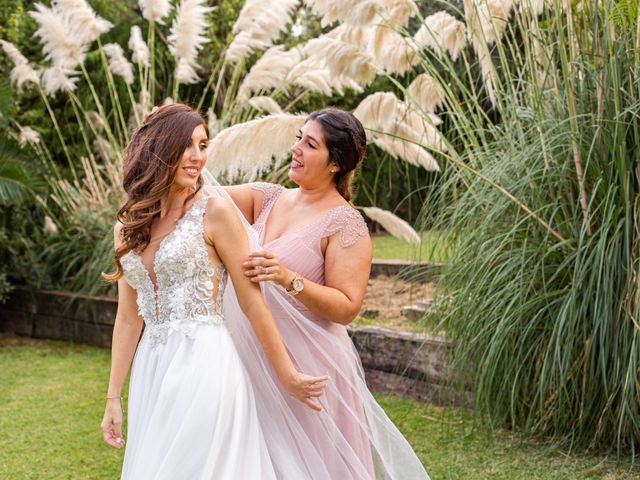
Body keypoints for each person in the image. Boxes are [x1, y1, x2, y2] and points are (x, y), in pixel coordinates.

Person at [99, 104, 328, 479]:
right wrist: (113, 397)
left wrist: (286, 374)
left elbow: (253, 304)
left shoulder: (215, 213)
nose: (197, 156)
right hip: (152, 372)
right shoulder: (128, 226)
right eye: (186, 145)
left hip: (206, 364)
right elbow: (127, 318)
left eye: (203, 144)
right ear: (159, 148)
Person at [221, 107, 430, 479]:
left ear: (335, 163)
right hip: (254, 356)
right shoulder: (267, 197)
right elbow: (204, 198)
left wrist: (288, 278)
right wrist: (174, 136)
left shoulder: (346, 222)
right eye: (298, 138)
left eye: (310, 143)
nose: (296, 149)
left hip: (310, 363)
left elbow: (348, 307)